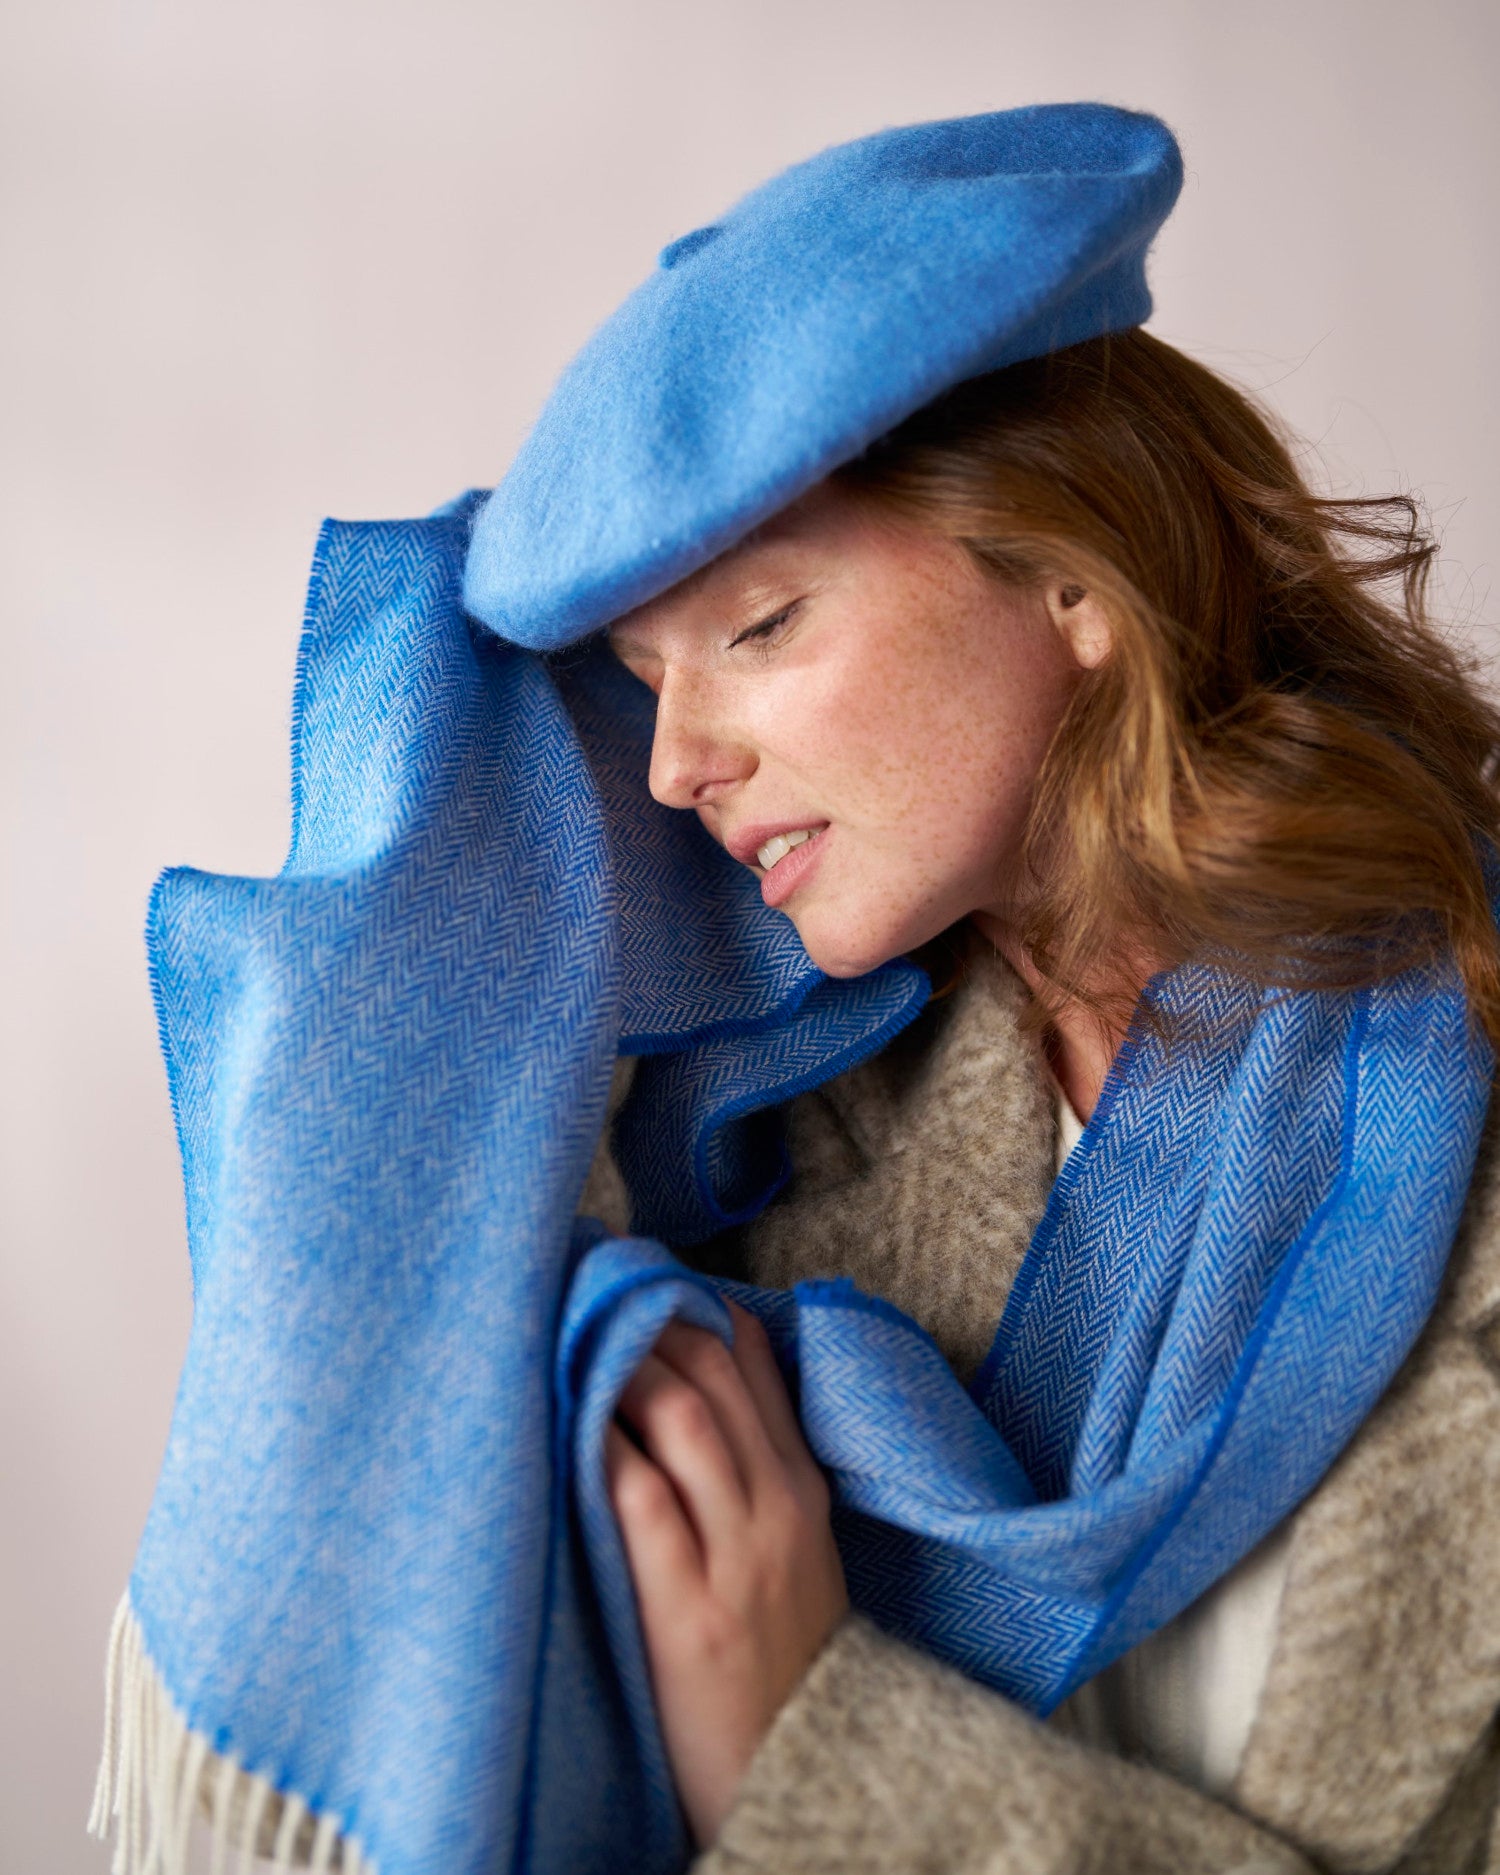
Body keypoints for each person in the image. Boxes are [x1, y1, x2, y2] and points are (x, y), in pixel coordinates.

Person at [586, 329, 1500, 1871]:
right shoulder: (754, 1145)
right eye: (642, 684)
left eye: (760, 624)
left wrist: (818, 1763)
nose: (675, 762)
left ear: (1077, 579)